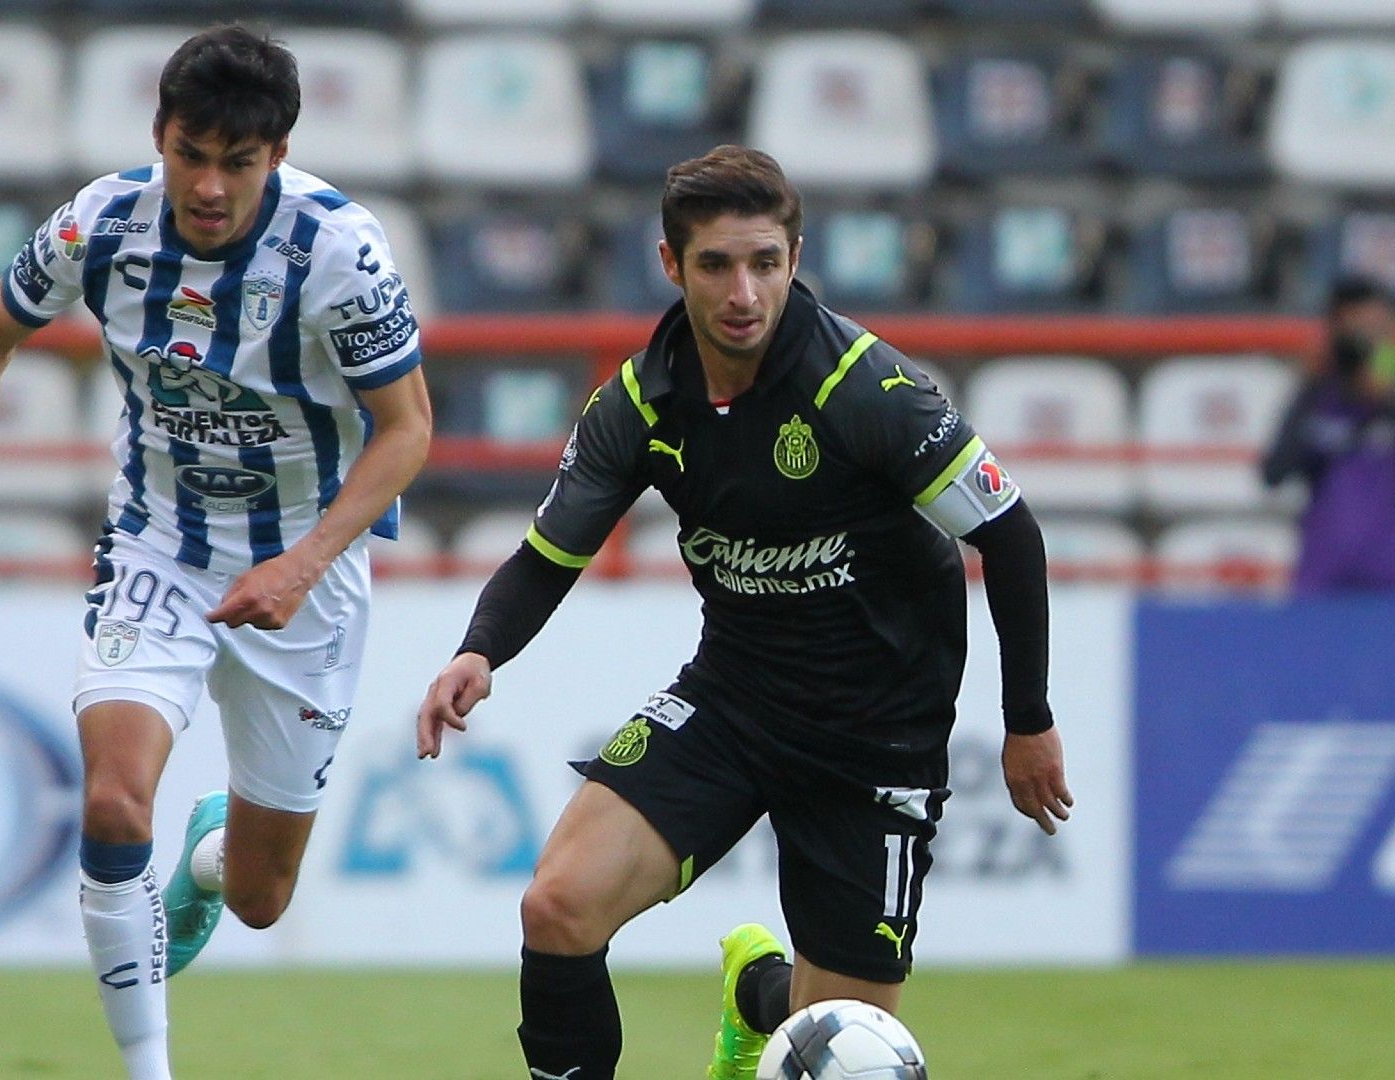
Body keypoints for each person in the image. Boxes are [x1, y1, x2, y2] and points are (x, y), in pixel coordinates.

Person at [417, 146, 1070, 1080]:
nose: (743, 291)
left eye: (765, 261)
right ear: (671, 265)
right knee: (556, 906)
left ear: (795, 259)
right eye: (717, 264)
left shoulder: (866, 389)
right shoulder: (640, 402)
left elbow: (1008, 533)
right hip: (734, 702)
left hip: (876, 737)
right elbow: (546, 556)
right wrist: (478, 652)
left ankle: (760, 998)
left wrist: (1027, 723)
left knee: (838, 1042)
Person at [0, 26, 431, 1080]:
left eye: (239, 161)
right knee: (113, 800)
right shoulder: (101, 224)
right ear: (158, 136)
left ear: (280, 150)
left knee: (263, 899)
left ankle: (214, 861)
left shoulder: (338, 253)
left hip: (305, 573)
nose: (209, 185)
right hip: (157, 547)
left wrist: (301, 562)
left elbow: (409, 431)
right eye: (191, 153)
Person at [1263, 277, 1395, 595]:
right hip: (1326, 582)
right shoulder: (1320, 393)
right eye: (1349, 327)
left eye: (1373, 326)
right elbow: (1273, 473)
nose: (1363, 339)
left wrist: (1391, 398)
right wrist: (1310, 389)